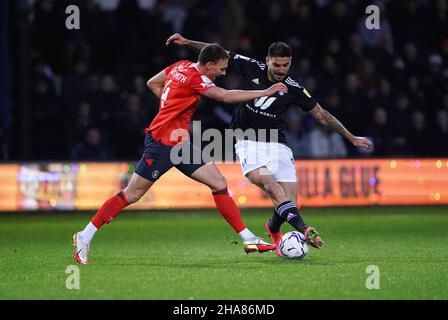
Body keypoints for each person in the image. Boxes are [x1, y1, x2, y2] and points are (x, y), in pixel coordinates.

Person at [73, 44, 289, 264]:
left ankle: (248, 238)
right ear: (209, 65)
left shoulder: (180, 66)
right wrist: (266, 91)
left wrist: (170, 108)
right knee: (132, 194)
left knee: (219, 183)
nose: (223, 74)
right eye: (221, 69)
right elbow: (224, 96)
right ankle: (84, 235)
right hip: (161, 144)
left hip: (180, 144)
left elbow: (153, 83)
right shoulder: (196, 78)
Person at [166, 33, 373, 256]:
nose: (281, 69)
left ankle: (272, 227)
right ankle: (305, 230)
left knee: (290, 203)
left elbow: (322, 115)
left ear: (290, 63)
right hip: (247, 141)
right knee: (271, 185)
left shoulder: (294, 87)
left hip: (277, 143)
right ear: (267, 60)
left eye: (285, 65)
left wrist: (351, 137)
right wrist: (188, 43)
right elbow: (215, 52)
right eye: (276, 64)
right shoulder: (250, 66)